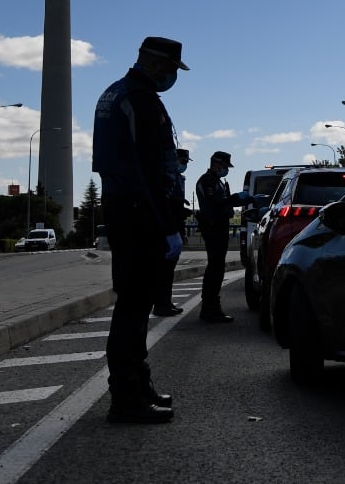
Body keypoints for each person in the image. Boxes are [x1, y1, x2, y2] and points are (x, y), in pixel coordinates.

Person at [91, 36, 189, 424]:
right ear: (153, 64)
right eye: (169, 69)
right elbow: (149, 171)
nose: (171, 77)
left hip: (124, 208)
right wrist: (166, 225)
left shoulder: (116, 94)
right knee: (133, 307)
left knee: (135, 304)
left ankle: (137, 386)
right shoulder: (140, 100)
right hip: (139, 213)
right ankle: (127, 398)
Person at [194, 150, 246, 322]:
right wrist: (236, 198)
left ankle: (211, 307)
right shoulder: (208, 181)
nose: (226, 170)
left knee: (217, 269)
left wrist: (237, 200)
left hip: (219, 227)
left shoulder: (217, 181)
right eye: (224, 166)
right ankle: (209, 308)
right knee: (215, 269)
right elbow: (215, 204)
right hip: (213, 228)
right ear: (217, 163)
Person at [153, 148, 191, 317]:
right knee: (164, 270)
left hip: (175, 226)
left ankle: (166, 302)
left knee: (168, 271)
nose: (183, 165)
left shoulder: (178, 178)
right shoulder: (165, 178)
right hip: (167, 229)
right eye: (182, 161)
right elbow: (165, 203)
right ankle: (161, 304)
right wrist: (179, 210)